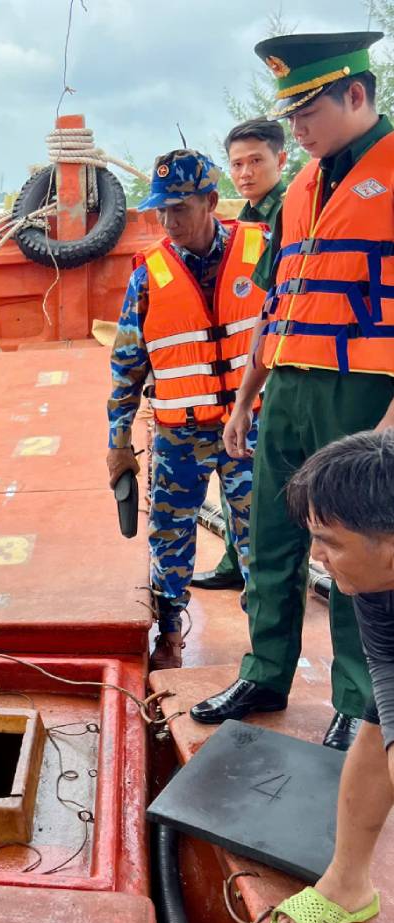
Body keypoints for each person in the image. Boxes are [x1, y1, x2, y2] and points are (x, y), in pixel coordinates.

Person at [191, 31, 394, 752]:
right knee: (272, 538)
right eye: (292, 112)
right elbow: (276, 301)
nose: (296, 127)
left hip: (363, 393)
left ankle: (354, 699)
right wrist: (247, 397)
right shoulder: (300, 187)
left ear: (358, 95)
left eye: (308, 111)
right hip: (287, 387)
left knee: (349, 549)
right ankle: (265, 669)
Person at [107, 150, 266, 671]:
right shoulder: (147, 278)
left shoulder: (260, 250)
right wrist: (119, 444)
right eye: (162, 211)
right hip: (180, 435)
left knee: (262, 535)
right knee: (170, 535)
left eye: (180, 208)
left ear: (212, 203)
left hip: (252, 430)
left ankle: (267, 641)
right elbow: (126, 368)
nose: (170, 221)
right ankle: (171, 631)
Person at [268, 430, 393, 923]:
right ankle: (346, 884)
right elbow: (386, 666)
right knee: (375, 731)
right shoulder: (373, 580)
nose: (315, 556)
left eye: (331, 543)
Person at [192, 118, 287, 594]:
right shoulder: (246, 220)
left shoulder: (288, 215)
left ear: (280, 160)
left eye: (256, 161)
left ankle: (265, 582)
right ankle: (235, 560)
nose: (245, 173)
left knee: (261, 485)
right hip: (240, 368)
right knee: (237, 475)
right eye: (237, 163)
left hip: (274, 367)